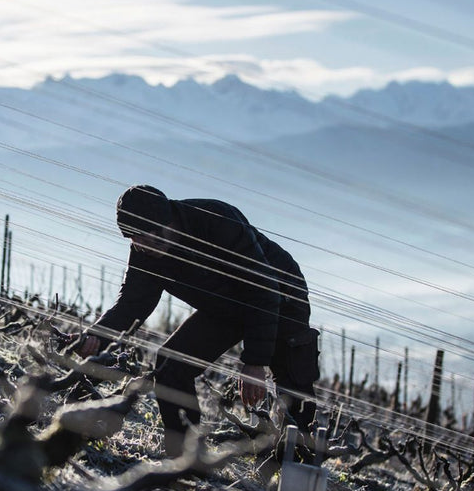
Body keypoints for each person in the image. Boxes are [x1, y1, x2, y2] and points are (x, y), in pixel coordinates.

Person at [78, 185, 319, 457]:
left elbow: (263, 290)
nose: (144, 245)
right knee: (170, 366)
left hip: (281, 295)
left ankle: (300, 462)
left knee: (293, 386)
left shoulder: (216, 219)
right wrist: (96, 335)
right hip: (224, 308)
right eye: (135, 238)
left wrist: (255, 361)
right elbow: (131, 304)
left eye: (151, 235)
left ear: (168, 220)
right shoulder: (144, 252)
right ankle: (186, 458)